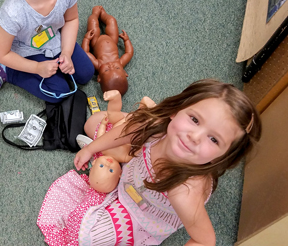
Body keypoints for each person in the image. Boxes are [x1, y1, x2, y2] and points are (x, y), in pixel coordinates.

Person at [40, 79, 262, 245]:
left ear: (222, 156)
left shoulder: (183, 192)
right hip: (136, 171)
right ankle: (142, 115)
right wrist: (91, 148)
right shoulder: (158, 126)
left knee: (88, 238)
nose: (195, 137)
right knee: (94, 123)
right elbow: (125, 134)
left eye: (213, 139)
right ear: (176, 111)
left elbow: (205, 240)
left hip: (143, 215)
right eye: (194, 119)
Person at [81, 6, 134, 96]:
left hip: (96, 41)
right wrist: (126, 40)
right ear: (125, 73)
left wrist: (86, 39)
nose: (111, 65)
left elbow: (85, 53)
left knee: (93, 20)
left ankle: (96, 13)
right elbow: (129, 53)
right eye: (117, 68)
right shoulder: (120, 62)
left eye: (106, 70)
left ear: (99, 77)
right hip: (112, 40)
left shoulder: (98, 64)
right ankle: (103, 14)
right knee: (112, 20)